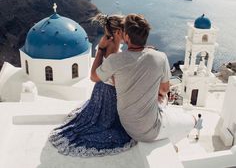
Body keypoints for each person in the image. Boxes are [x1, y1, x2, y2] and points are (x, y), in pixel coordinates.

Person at [91, 13, 195, 145]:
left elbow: (94, 77)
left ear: (126, 36)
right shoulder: (160, 57)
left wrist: (100, 48)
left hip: (127, 123)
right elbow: (164, 90)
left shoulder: (115, 60)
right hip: (149, 130)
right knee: (192, 120)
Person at [48, 14, 135, 157]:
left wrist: (100, 49)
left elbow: (96, 71)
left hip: (99, 91)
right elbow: (112, 81)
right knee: (110, 127)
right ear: (119, 32)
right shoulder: (115, 54)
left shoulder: (105, 46)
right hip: (109, 95)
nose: (128, 34)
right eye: (126, 30)